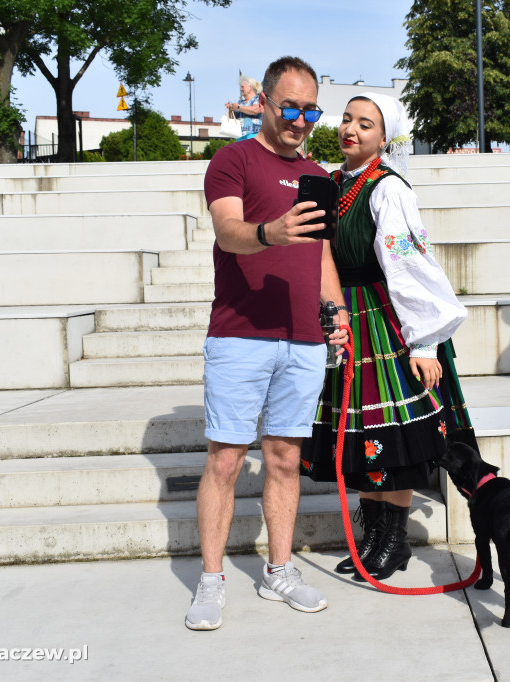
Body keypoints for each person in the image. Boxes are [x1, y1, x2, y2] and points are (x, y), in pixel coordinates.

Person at [185, 56, 349, 631]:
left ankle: (280, 571)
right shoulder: (231, 160)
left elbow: (322, 253)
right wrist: (269, 233)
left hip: (303, 339)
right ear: (265, 103)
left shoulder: (320, 176)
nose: (300, 120)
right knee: (226, 459)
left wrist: (337, 309)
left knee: (285, 460)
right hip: (239, 334)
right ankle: (211, 582)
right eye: (290, 108)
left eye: (310, 110)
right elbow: (228, 232)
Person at [300, 93, 478, 582]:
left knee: (390, 438)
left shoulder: (388, 188)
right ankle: (373, 537)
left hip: (384, 318)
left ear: (384, 138)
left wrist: (422, 343)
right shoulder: (330, 183)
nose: (351, 130)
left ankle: (393, 541)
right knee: (356, 437)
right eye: (348, 120)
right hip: (343, 315)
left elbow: (409, 265)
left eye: (366, 124)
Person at [226, 75, 263, 141]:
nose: (241, 89)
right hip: (240, 136)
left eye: (242, 87)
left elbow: (255, 110)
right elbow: (232, 118)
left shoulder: (257, 98)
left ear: (250, 87)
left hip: (254, 134)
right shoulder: (240, 102)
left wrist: (238, 107)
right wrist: (230, 109)